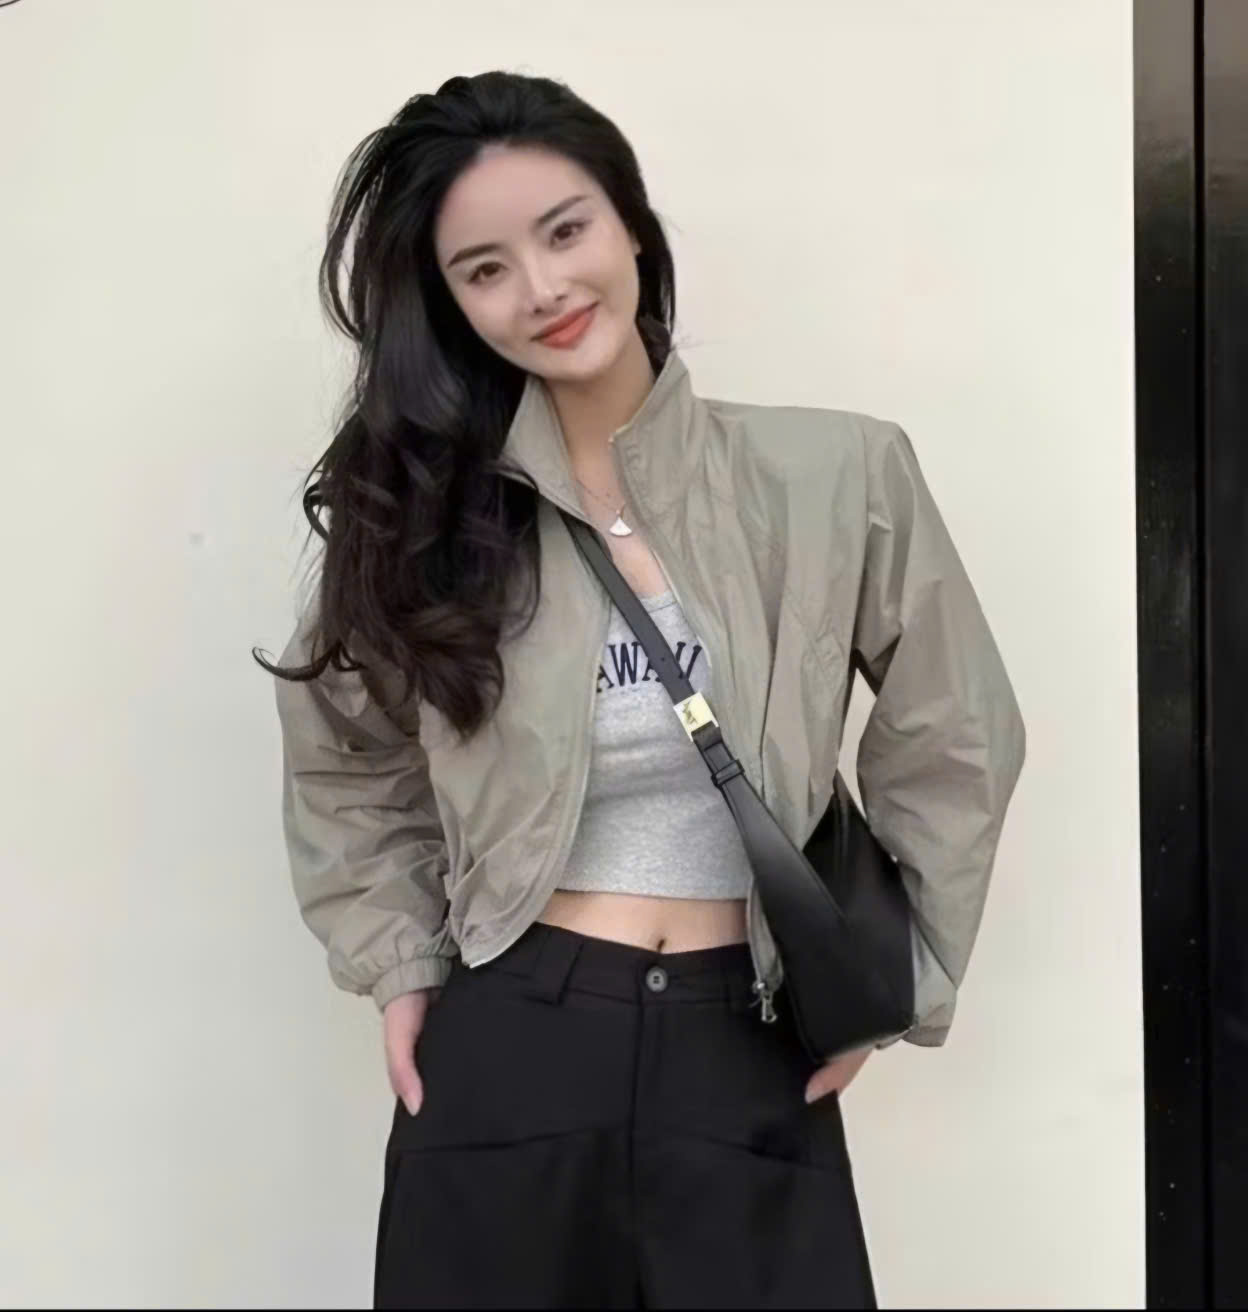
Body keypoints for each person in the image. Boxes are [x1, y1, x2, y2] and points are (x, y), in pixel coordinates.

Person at [258, 70, 1026, 1310]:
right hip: (515, 1030)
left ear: (630, 225)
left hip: (750, 1033)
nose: (542, 287)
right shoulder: (427, 518)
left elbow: (959, 732)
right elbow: (347, 756)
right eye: (486, 268)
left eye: (564, 231)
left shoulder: (835, 472)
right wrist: (402, 961)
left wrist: (892, 982)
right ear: (450, 305)